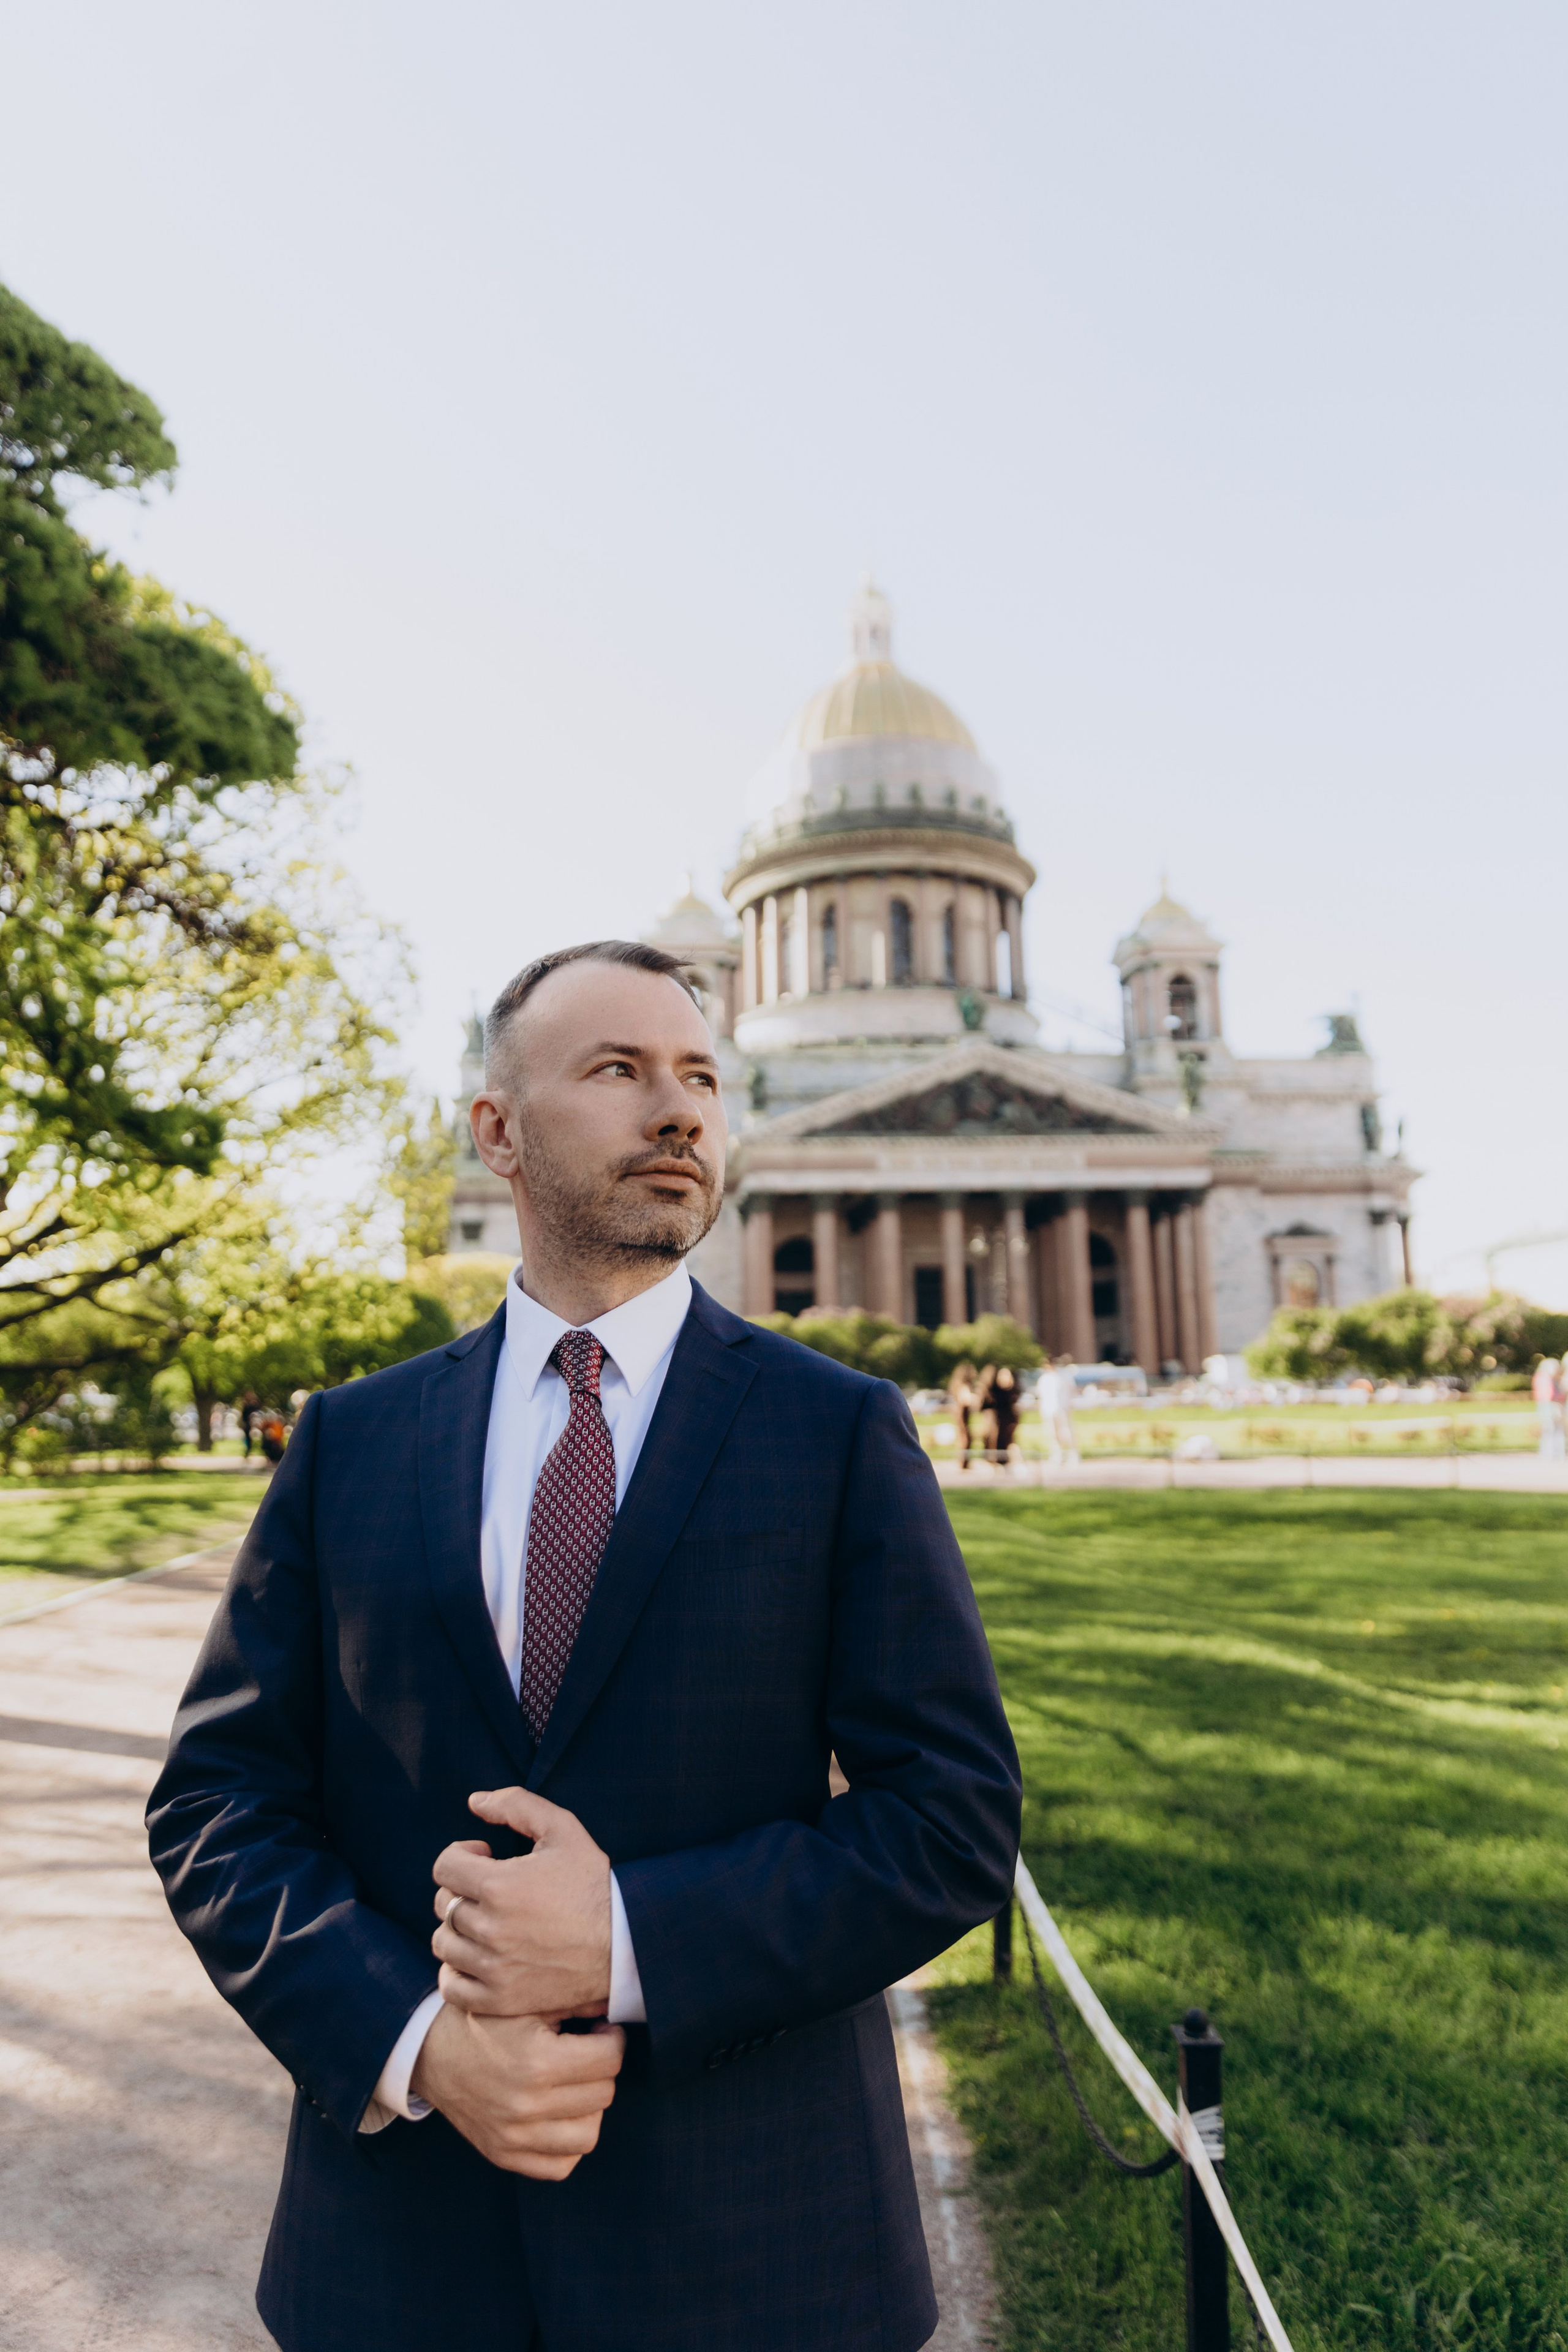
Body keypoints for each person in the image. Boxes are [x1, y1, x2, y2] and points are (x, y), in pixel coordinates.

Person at [148, 939, 1020, 2352]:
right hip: (399, 2257)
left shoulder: (836, 1432)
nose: (675, 1110)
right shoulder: (347, 1442)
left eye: (699, 1077)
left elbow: (953, 1822)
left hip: (761, 2261)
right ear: (492, 1127)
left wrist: (623, 1939)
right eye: (616, 1070)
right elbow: (216, 1803)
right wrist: (414, 2041)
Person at [1036, 1352, 1080, 1469]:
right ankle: (1057, 1455)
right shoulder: (1044, 1378)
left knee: (1066, 1433)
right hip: (1049, 1410)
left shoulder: (1064, 1376)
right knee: (1052, 1434)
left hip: (1062, 1408)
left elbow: (1071, 1392)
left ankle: (1072, 1454)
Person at [946, 1357, 982, 1471]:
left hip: (963, 1416)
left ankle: (965, 1463)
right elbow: (966, 1399)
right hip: (962, 1416)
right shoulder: (964, 1386)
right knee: (965, 1439)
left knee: (965, 1438)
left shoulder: (959, 1384)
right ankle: (963, 1464)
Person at [982, 1363, 1021, 1466]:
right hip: (997, 1423)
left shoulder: (1012, 1392)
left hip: (1007, 1421)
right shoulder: (994, 1392)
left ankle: (1005, 1461)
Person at [1534, 1356, 1564, 1460]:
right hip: (1552, 1405)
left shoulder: (1539, 1377)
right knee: (1555, 1430)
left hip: (1544, 1405)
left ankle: (1548, 1453)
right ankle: (1555, 1453)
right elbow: (1553, 1394)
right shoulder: (1551, 1379)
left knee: (1548, 1430)